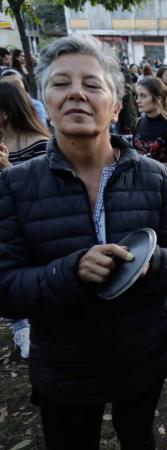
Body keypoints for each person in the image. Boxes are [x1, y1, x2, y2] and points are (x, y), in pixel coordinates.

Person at [0, 34, 167, 450]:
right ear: (45, 102)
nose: (76, 93)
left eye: (92, 84)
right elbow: (6, 289)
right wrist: (70, 271)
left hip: (145, 354)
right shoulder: (16, 185)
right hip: (66, 367)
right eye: (61, 83)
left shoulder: (153, 176)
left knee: (139, 439)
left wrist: (153, 263)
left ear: (114, 103)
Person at [0, 81, 51, 360]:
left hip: (34, 228)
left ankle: (36, 329)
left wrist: (7, 168)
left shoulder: (41, 145)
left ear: (5, 112)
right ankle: (20, 327)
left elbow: (44, 193)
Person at [133, 77, 167, 176]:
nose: (137, 100)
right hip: (138, 183)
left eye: (143, 96)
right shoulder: (138, 122)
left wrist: (155, 165)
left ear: (158, 99)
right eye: (137, 96)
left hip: (163, 185)